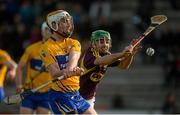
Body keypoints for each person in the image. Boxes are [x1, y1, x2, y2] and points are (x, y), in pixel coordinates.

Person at [40, 10, 97, 114]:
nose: (69, 25)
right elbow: (54, 72)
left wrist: (71, 70)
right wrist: (64, 72)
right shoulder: (46, 48)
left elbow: (73, 61)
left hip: (75, 93)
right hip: (59, 95)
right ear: (54, 25)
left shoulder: (74, 43)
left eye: (69, 21)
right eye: (64, 21)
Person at [79, 30, 140, 107]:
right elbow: (101, 61)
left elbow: (123, 65)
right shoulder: (90, 54)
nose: (105, 44)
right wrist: (122, 54)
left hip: (89, 98)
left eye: (107, 42)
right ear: (93, 44)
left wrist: (130, 55)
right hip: (75, 95)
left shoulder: (107, 55)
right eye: (101, 42)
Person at [15, 22, 53, 114]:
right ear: (41, 31)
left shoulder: (58, 51)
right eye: (46, 29)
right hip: (30, 92)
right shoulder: (31, 49)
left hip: (47, 94)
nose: (48, 32)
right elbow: (19, 67)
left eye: (50, 30)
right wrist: (19, 85)